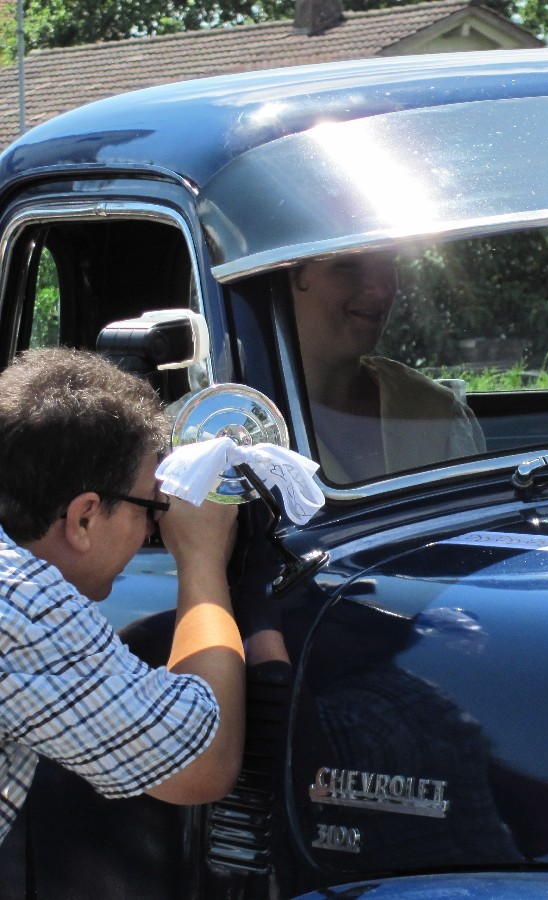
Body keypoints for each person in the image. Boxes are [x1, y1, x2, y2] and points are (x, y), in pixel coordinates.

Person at [0, 348, 243, 846]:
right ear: (84, 518)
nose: (153, 527)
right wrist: (201, 557)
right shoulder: (26, 604)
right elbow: (200, 762)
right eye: (151, 507)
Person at [290, 251, 485, 483]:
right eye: (349, 265)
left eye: (387, 263)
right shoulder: (253, 420)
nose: (382, 290)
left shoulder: (436, 412)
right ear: (286, 278)